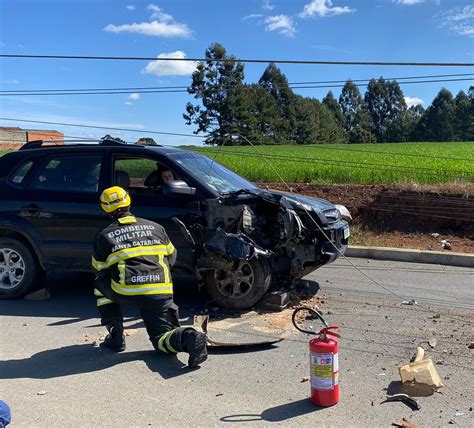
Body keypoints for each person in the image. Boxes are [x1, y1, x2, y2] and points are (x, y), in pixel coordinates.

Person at [92, 186, 207, 367]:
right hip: (159, 290)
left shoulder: (104, 235)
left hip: (126, 290)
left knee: (100, 286)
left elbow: (99, 269)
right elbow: (172, 256)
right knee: (161, 340)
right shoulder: (156, 227)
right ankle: (188, 337)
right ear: (128, 201)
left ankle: (116, 336)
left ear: (104, 208)